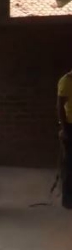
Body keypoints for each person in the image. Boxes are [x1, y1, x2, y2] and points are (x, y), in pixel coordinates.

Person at [57, 70, 72, 209]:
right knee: (69, 163)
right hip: (70, 126)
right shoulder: (66, 81)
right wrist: (64, 129)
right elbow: (60, 106)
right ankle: (67, 199)